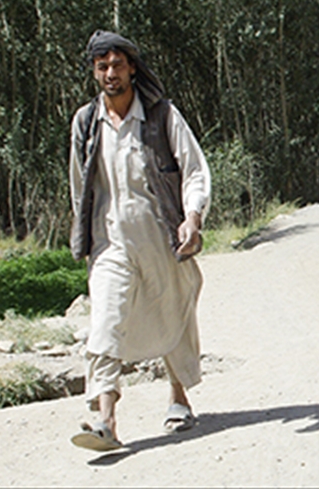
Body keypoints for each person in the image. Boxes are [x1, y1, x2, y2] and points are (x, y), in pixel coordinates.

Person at [68, 30, 211, 451]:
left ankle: (178, 397)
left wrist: (193, 217)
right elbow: (80, 187)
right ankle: (105, 420)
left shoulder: (161, 115)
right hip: (110, 242)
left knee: (173, 311)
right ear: (95, 72)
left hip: (160, 235)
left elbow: (194, 170)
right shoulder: (85, 123)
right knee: (105, 322)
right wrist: (84, 238)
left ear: (132, 67)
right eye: (102, 66)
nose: (111, 73)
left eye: (117, 64)